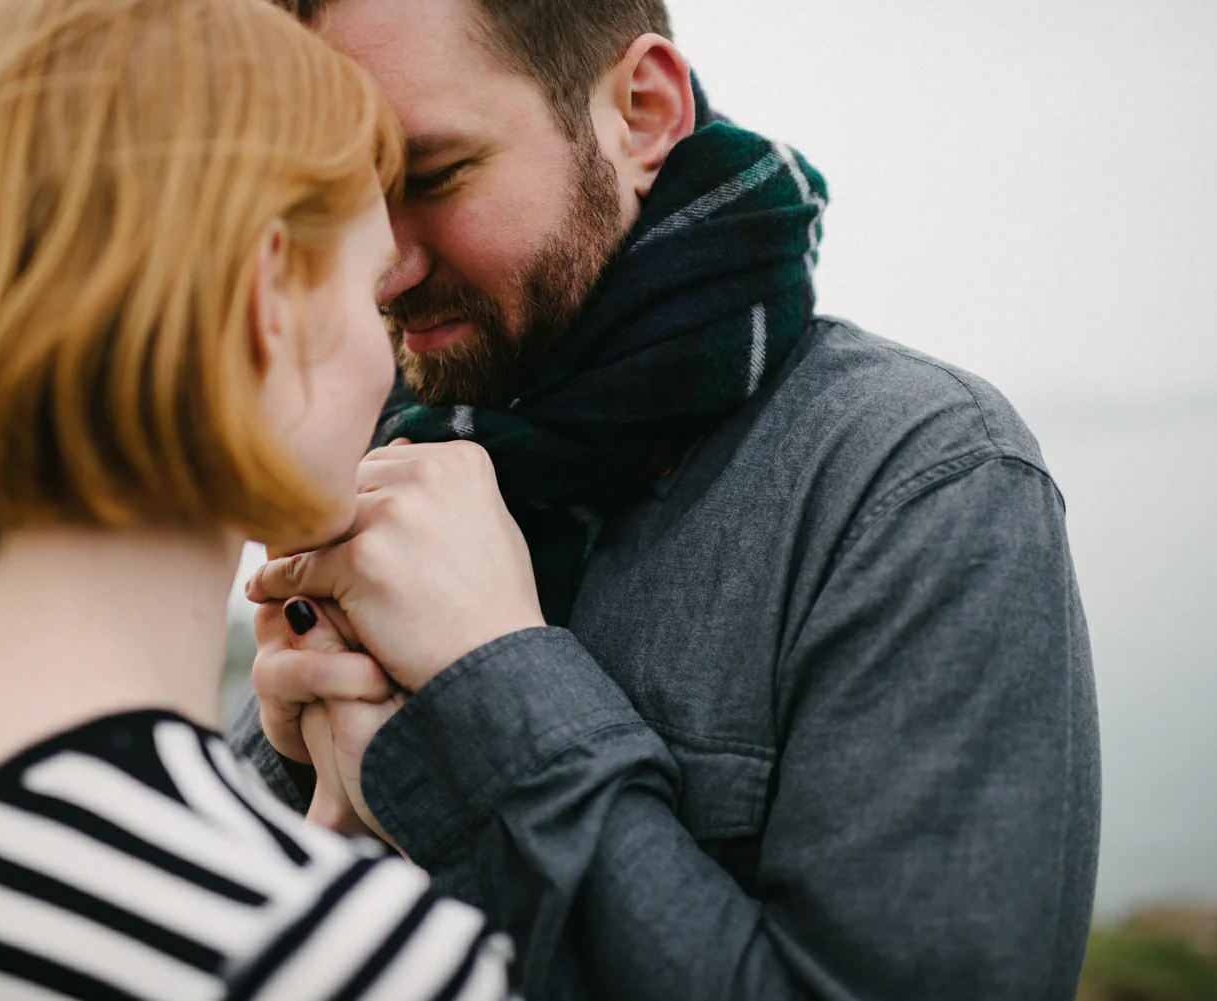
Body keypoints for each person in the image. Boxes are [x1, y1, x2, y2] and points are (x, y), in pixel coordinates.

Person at [232, 1, 1102, 1000]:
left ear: (643, 111)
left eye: (431, 176)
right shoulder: (379, 447)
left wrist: (490, 681)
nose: (384, 269)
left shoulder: (916, 481)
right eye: (336, 201)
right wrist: (281, 760)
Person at [0, 1, 511, 998]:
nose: (385, 350)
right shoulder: (354, 956)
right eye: (366, 290)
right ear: (268, 300)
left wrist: (328, 840)